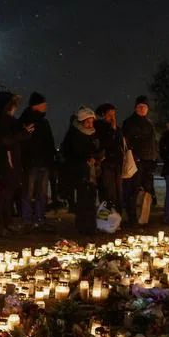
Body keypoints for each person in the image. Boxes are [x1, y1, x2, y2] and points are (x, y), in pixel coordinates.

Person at [0, 91, 33, 237]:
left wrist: (24, 132)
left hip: (11, 161)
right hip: (4, 162)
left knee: (9, 194)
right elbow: (3, 140)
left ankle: (7, 223)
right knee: (2, 195)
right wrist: (22, 135)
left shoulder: (8, 119)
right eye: (13, 106)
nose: (15, 109)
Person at [60, 107, 102, 235]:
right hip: (79, 172)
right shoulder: (74, 134)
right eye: (87, 122)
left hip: (91, 171)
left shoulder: (93, 133)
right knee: (83, 199)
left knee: (91, 198)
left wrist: (96, 157)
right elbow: (69, 153)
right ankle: (82, 225)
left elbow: (96, 148)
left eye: (91, 122)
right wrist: (84, 159)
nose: (90, 125)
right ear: (81, 121)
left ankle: (91, 224)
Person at [19, 92, 56, 228]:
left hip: (43, 163)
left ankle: (39, 217)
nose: (46, 106)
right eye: (43, 104)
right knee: (29, 192)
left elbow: (49, 142)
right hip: (31, 163)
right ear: (36, 105)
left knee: (41, 192)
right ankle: (28, 218)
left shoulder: (43, 122)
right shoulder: (26, 121)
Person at [122, 95, 157, 226]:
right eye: (140, 107)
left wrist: (154, 158)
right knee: (134, 190)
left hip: (148, 161)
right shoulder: (130, 122)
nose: (142, 109)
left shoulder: (149, 123)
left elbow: (153, 143)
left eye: (145, 107)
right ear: (136, 108)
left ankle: (143, 217)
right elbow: (127, 141)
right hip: (136, 161)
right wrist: (134, 156)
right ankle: (132, 217)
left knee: (146, 190)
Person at [94, 103, 124, 211]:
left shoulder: (116, 128)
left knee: (118, 191)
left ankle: (117, 215)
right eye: (109, 115)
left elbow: (120, 142)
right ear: (103, 115)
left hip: (117, 163)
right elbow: (104, 144)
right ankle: (108, 215)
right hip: (106, 164)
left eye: (114, 115)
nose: (112, 118)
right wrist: (112, 131)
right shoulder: (98, 127)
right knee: (108, 191)